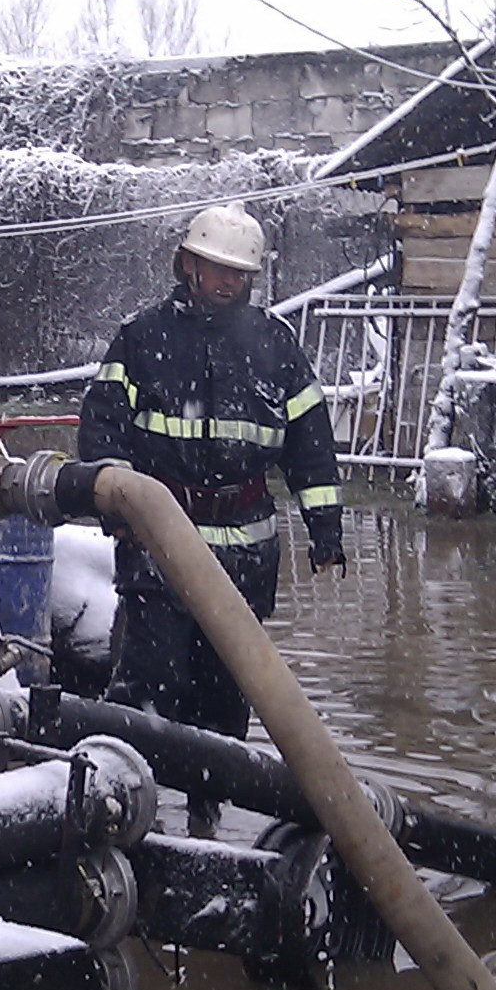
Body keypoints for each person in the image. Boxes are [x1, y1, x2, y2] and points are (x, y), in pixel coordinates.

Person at [79, 203, 346, 837]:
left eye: (239, 273)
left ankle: (206, 820)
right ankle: (123, 817)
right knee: (150, 683)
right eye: (217, 269)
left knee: (226, 692)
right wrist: (118, 509)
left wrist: (325, 530)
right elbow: (103, 428)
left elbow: (311, 442)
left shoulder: (275, 345)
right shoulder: (142, 339)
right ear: (187, 265)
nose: (229, 282)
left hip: (245, 553)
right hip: (159, 546)